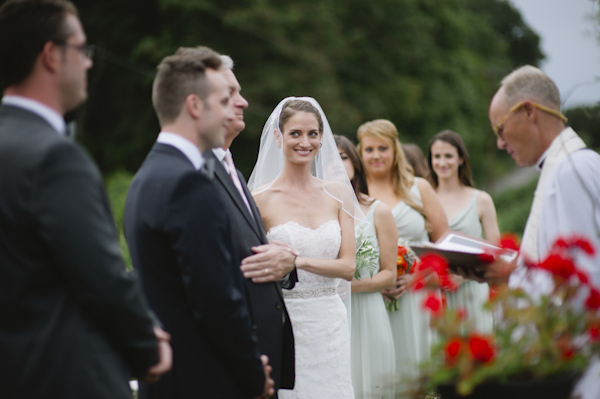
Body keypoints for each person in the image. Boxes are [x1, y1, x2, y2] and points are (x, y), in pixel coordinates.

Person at [0, 1, 171, 398]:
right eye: (82, 49)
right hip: (61, 376)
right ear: (51, 56)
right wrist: (147, 344)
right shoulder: (55, 157)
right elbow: (102, 274)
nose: (89, 63)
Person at [124, 47, 274, 399]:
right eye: (223, 102)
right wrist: (253, 376)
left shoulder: (147, 176)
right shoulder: (189, 183)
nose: (231, 111)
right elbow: (216, 298)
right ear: (194, 106)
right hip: (204, 380)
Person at [483, 65, 600, 399]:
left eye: (501, 128)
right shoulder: (558, 167)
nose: (500, 142)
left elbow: (585, 281)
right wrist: (508, 272)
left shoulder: (571, 169)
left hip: (576, 369)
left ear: (529, 112)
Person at [248, 97, 362, 398]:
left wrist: (295, 261)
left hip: (330, 321)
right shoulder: (259, 200)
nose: (305, 142)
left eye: (312, 134)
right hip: (285, 320)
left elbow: (348, 267)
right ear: (278, 136)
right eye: (295, 133)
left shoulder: (338, 195)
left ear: (321, 138)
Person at [204, 55, 296, 394]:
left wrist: (286, 263)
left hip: (262, 355)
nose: (243, 102)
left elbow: (249, 250)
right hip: (226, 367)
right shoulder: (192, 176)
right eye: (231, 94)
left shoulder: (234, 173)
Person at [357, 119, 448, 398]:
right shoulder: (355, 196)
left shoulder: (419, 188)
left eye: (382, 148)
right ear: (360, 152)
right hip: (374, 299)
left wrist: (415, 276)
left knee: (420, 372)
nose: (376, 156)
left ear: (395, 150)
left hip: (419, 294)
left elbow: (446, 246)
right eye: (369, 149)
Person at [335, 134, 397, 398]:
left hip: (368, 311)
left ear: (355, 164)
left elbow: (389, 275)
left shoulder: (378, 211)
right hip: (332, 311)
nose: (336, 164)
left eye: (343, 157)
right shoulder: (316, 213)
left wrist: (352, 286)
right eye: (329, 159)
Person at [427, 130, 500, 333]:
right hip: (435, 294)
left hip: (472, 290)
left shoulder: (481, 200)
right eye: (437, 156)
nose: (442, 162)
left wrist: (463, 276)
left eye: (448, 156)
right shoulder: (424, 200)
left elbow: (495, 251)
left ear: (460, 159)